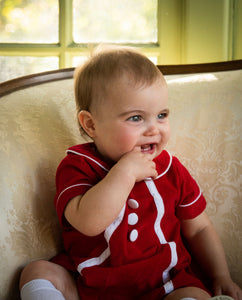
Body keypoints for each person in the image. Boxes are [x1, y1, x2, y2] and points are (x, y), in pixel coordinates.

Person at [19, 46, 242, 300]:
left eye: (161, 115)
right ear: (91, 124)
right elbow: (88, 222)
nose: (153, 129)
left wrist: (220, 275)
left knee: (193, 295)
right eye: (136, 118)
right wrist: (124, 172)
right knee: (37, 272)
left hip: (165, 284)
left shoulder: (170, 168)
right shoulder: (78, 165)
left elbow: (199, 228)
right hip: (90, 285)